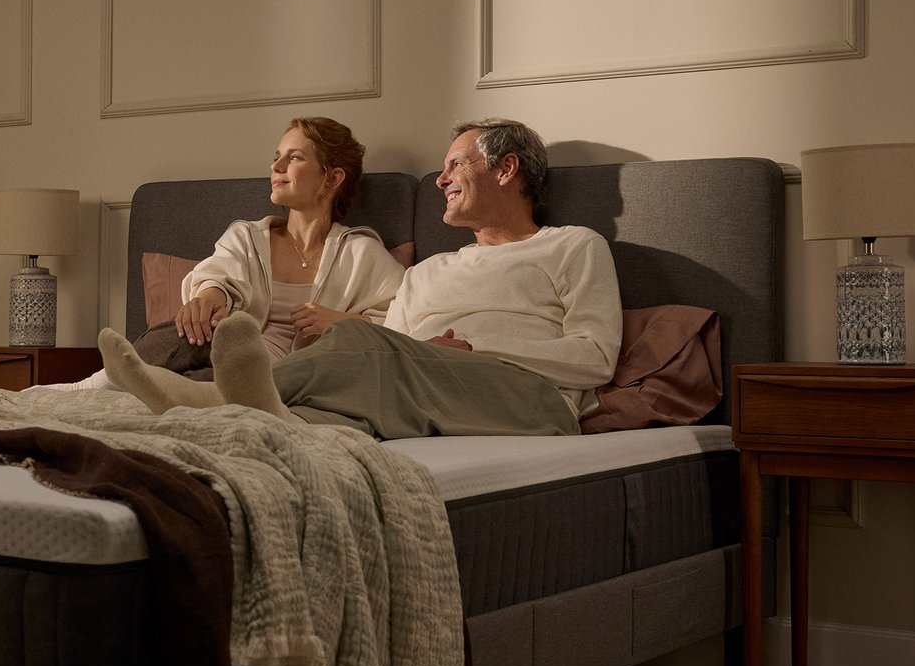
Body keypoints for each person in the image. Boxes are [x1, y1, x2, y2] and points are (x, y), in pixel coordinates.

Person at [100, 118, 621, 438]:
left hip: (530, 400)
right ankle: (235, 417)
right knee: (331, 418)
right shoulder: (429, 272)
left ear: (506, 170)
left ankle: (206, 399)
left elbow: (596, 357)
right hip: (420, 391)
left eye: (456, 165)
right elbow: (385, 350)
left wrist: (474, 351)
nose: (440, 180)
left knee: (353, 340)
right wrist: (425, 354)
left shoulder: (573, 245)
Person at [52, 116, 405, 388]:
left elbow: (407, 324)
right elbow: (218, 272)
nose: (276, 167)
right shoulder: (248, 237)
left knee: (208, 383)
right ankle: (93, 388)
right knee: (191, 335)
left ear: (332, 178)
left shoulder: (361, 253)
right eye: (276, 156)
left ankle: (155, 393)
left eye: (294, 158)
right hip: (226, 357)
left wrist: (343, 322)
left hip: (292, 380)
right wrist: (208, 296)